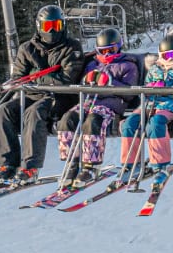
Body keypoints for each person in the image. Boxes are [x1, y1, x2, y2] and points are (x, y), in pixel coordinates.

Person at [0, 5, 85, 189]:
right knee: (4, 111)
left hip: (59, 98)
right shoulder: (27, 48)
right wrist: (43, 78)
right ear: (39, 27)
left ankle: (30, 167)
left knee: (35, 112)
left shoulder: (71, 47)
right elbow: (18, 79)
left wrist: (38, 75)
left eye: (56, 26)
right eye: (48, 26)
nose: (52, 31)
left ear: (63, 25)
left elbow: (66, 79)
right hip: (31, 94)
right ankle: (7, 164)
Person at [56, 27, 140, 188]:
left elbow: (130, 93)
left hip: (112, 103)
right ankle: (72, 163)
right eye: (103, 51)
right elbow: (82, 84)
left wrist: (109, 82)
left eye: (111, 50)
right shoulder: (93, 64)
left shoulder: (128, 65)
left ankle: (90, 166)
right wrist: (87, 81)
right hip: (89, 101)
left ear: (119, 47)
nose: (107, 55)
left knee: (93, 121)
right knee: (68, 119)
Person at [118, 33, 173, 182]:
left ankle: (160, 164)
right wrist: (150, 89)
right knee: (130, 123)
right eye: (167, 56)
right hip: (149, 104)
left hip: (170, 104)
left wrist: (169, 90)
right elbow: (146, 87)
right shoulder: (155, 68)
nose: (172, 59)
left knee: (155, 124)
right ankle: (130, 164)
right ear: (161, 55)